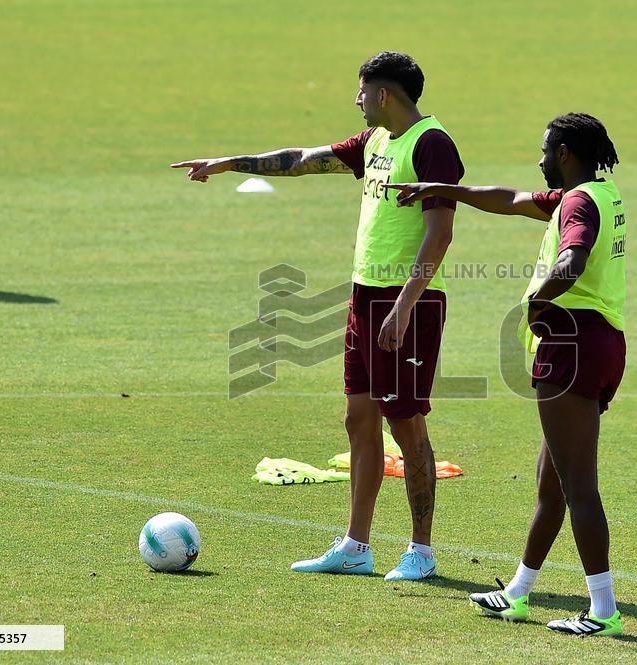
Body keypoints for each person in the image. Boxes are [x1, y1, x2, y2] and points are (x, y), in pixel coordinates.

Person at [171, 52, 464, 581]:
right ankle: (356, 546)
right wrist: (229, 162)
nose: (357, 100)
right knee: (359, 418)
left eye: (362, 91)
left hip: (408, 304)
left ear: (384, 94)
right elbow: (304, 159)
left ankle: (421, 551)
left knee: (406, 425)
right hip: (365, 297)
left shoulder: (432, 145)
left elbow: (439, 234)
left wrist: (404, 305)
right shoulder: (375, 141)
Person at [386, 112, 626, 634]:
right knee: (552, 484)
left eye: (545, 150)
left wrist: (538, 303)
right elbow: (511, 199)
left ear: (565, 153)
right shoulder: (597, 195)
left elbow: (573, 259)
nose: (539, 160)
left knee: (578, 486)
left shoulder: (578, 204)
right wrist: (442, 188)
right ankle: (517, 592)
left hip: (572, 345)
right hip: (601, 343)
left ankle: (603, 611)